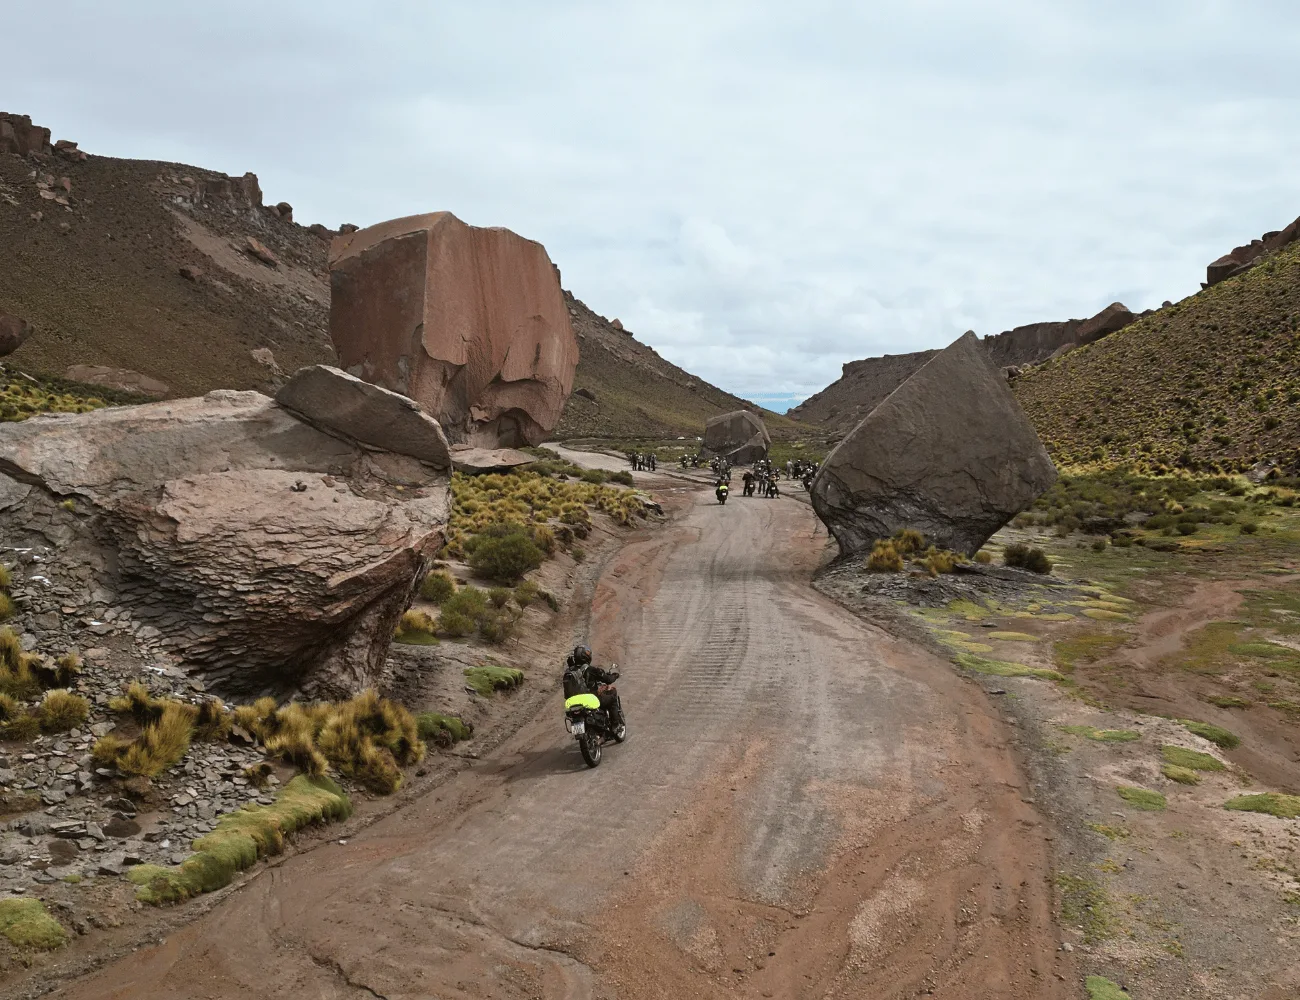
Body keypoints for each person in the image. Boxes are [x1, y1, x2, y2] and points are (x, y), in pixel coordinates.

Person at [563, 644, 624, 728]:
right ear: (586, 657)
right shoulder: (590, 670)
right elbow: (608, 679)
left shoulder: (569, 672)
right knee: (612, 696)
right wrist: (615, 675)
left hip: (571, 703)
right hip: (590, 699)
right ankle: (615, 726)